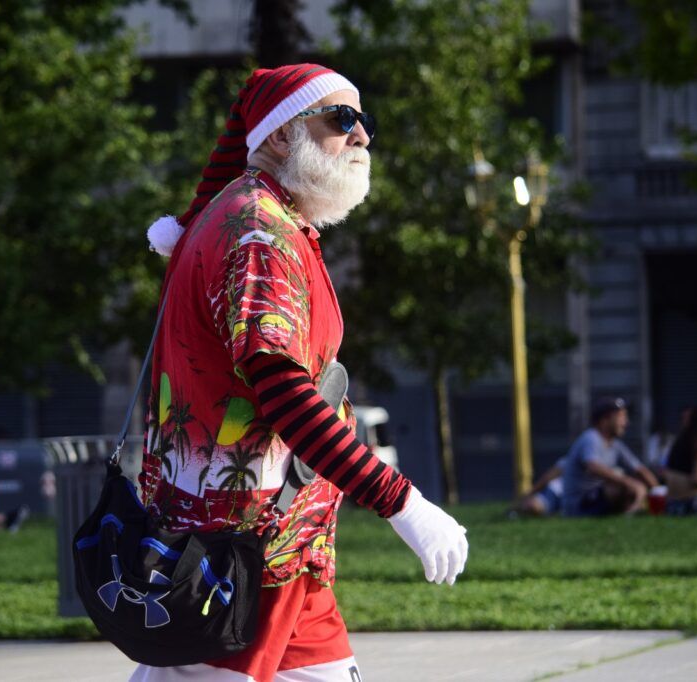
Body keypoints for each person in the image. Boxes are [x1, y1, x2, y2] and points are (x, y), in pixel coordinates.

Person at [134, 63, 468, 681]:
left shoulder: (260, 218)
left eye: (364, 121)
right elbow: (284, 395)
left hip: (279, 547)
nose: (362, 136)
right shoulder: (259, 233)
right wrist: (401, 502)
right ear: (282, 134)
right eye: (342, 120)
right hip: (242, 552)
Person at [560, 397, 658, 516]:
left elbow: (639, 469)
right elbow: (593, 466)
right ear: (604, 420)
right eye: (621, 417)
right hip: (580, 504)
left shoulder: (615, 444)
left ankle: (633, 511)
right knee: (621, 486)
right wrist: (629, 482)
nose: (626, 422)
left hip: (597, 498)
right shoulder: (591, 438)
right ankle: (630, 511)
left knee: (635, 482)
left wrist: (658, 491)